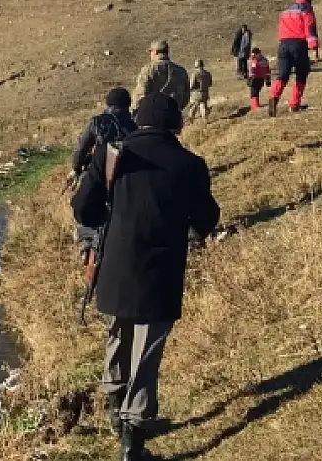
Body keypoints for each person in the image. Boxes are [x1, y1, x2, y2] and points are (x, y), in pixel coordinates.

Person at [71, 93, 220, 460]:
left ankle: (116, 416)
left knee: (117, 336)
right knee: (147, 353)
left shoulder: (112, 156)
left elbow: (81, 210)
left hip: (114, 269)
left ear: (139, 120)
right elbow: (206, 221)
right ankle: (132, 442)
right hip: (161, 272)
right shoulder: (190, 165)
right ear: (176, 125)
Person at [68, 87, 138, 265]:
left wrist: (76, 169)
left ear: (108, 104)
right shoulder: (134, 125)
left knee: (83, 202)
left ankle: (87, 240)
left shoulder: (97, 122)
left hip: (99, 175)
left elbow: (80, 150)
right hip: (127, 178)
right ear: (127, 104)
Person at [269, 0, 320, 116]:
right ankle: (294, 104)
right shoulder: (306, 10)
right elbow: (310, 29)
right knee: (301, 74)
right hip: (299, 45)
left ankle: (273, 97)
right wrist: (314, 46)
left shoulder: (286, 11)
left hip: (283, 45)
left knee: (283, 75)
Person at [132, 40, 190, 112]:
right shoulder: (181, 71)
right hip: (174, 115)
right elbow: (186, 97)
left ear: (155, 52)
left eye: (150, 52)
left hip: (153, 115)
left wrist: (134, 111)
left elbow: (140, 94)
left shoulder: (148, 69)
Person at [247, 47, 271, 112]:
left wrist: (250, 78)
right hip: (261, 79)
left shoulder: (254, 61)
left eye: (254, 54)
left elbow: (253, 70)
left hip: (255, 79)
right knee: (256, 92)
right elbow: (268, 71)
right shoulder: (265, 60)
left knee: (254, 93)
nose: (253, 56)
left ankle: (255, 106)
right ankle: (255, 105)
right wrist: (268, 80)